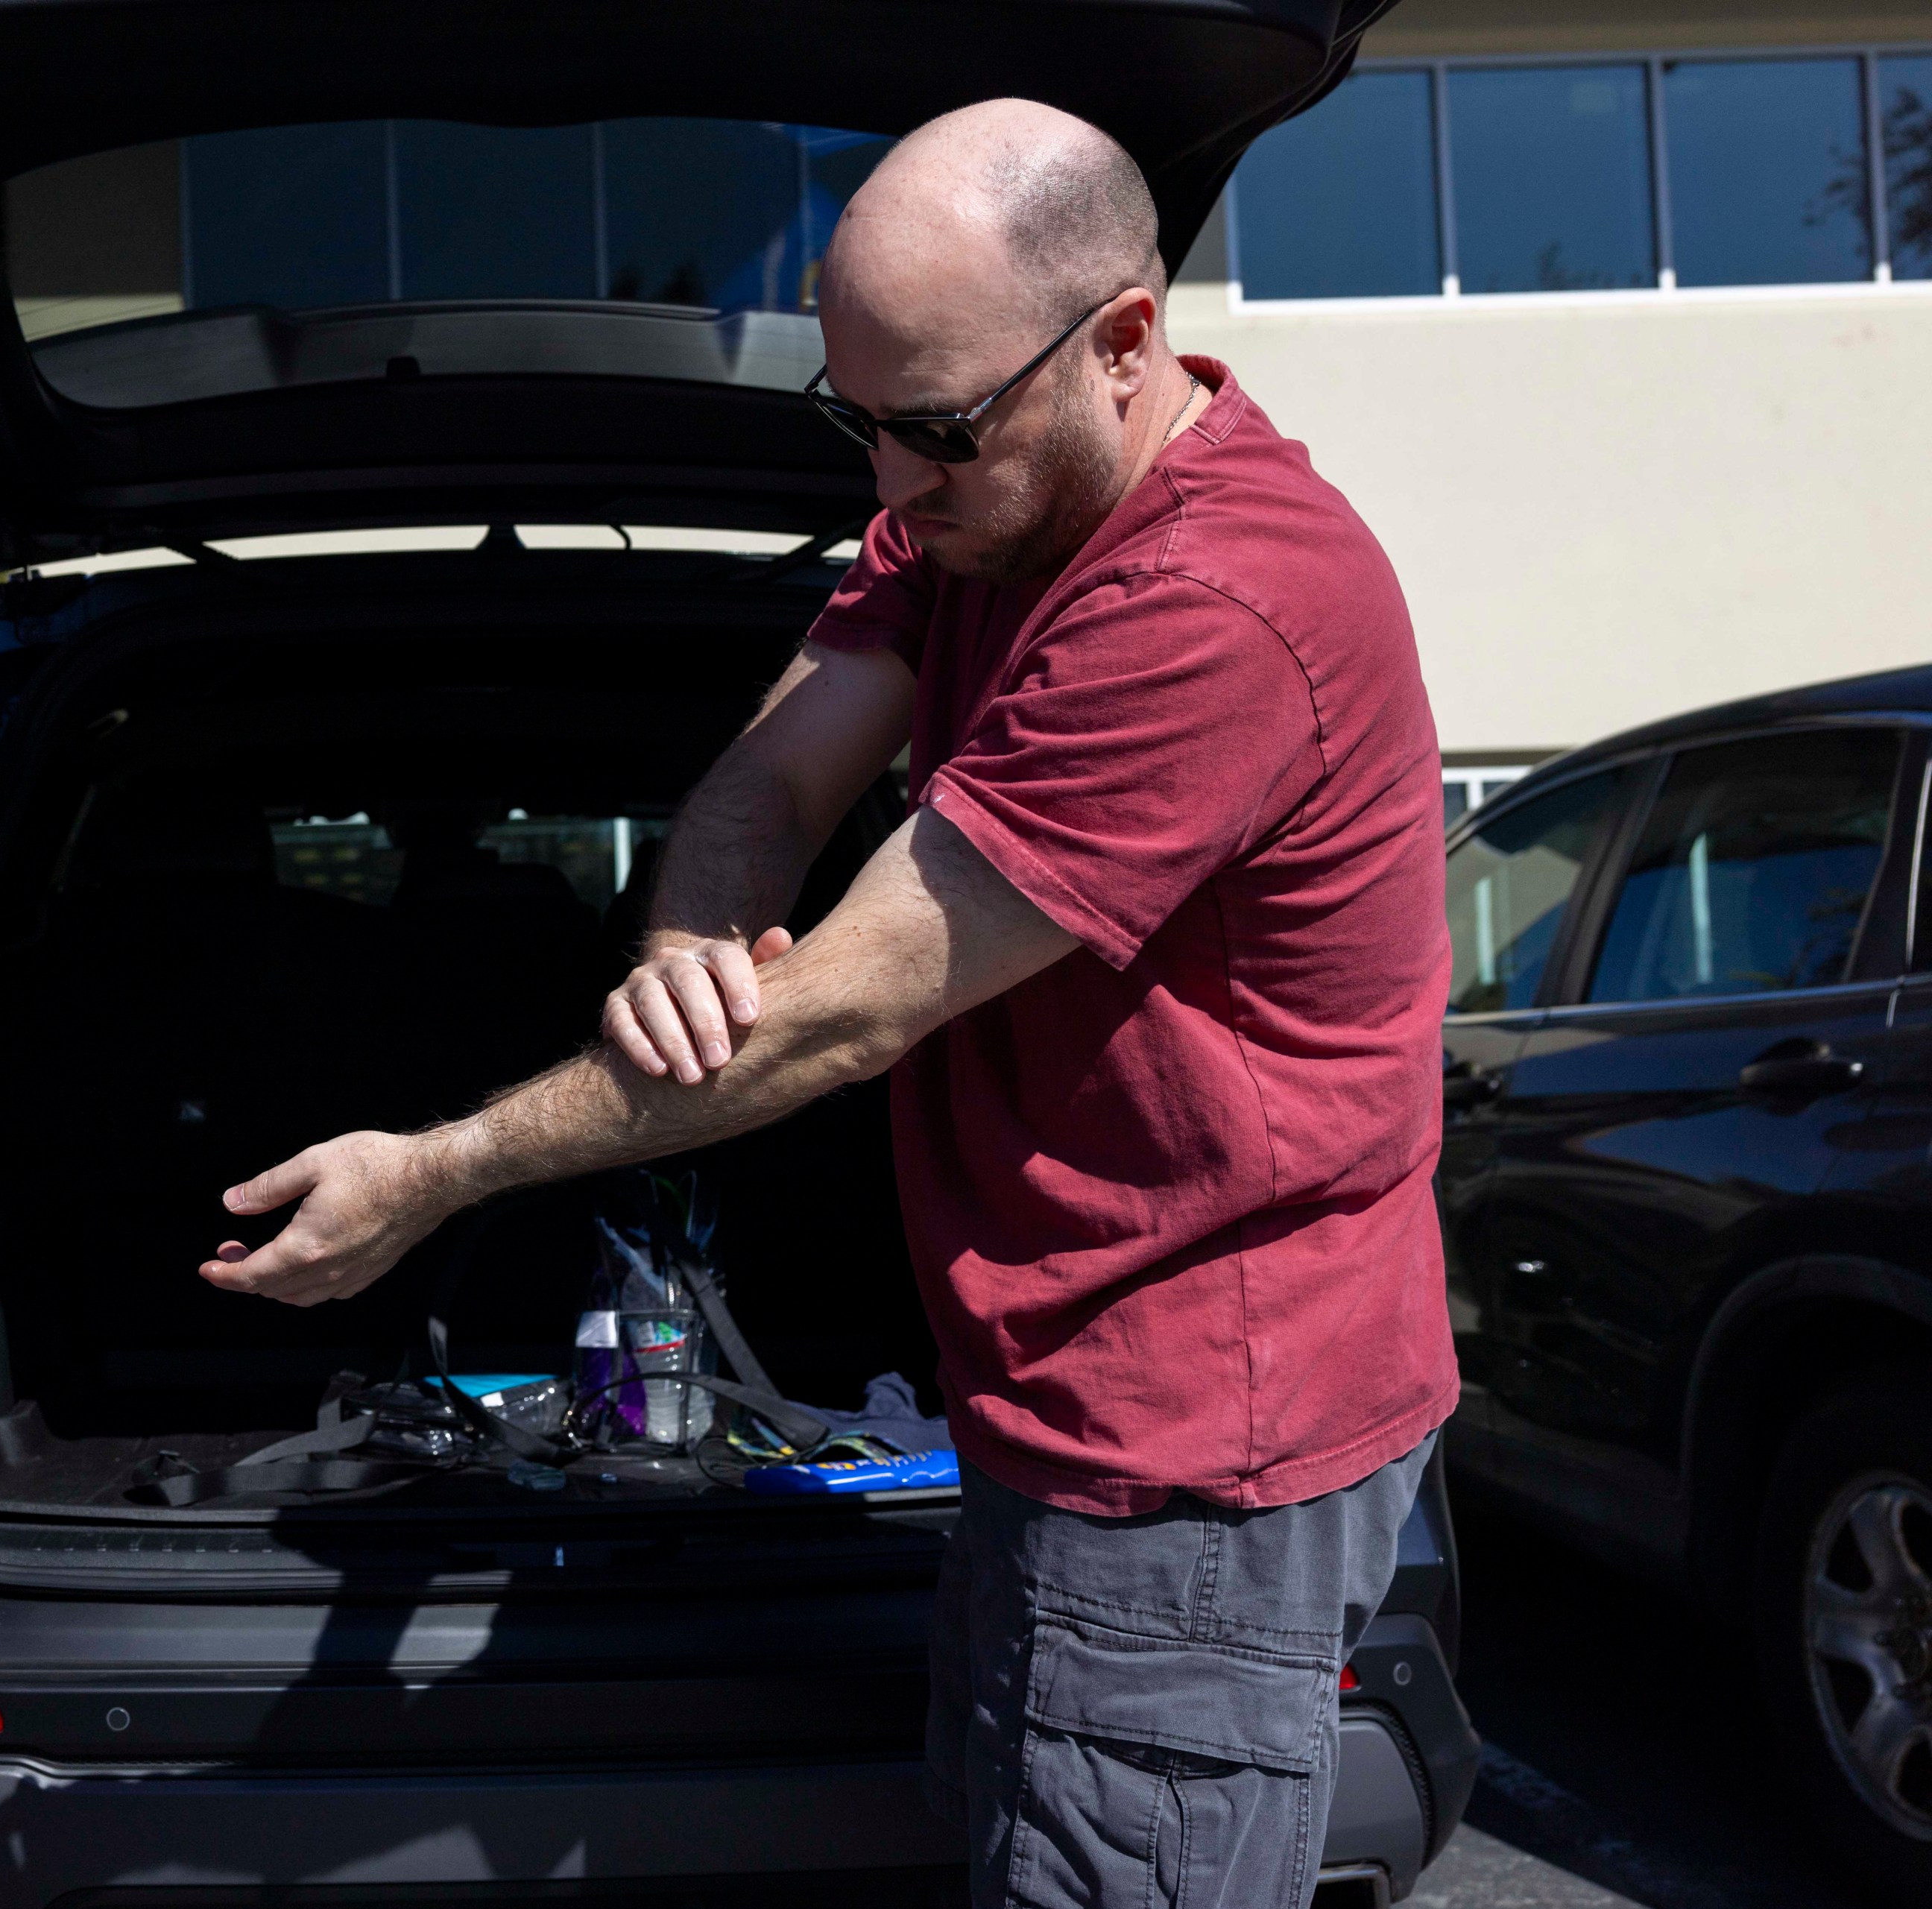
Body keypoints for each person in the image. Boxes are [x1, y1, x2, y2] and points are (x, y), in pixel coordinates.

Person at [199, 100, 1459, 1908]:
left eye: (935, 431)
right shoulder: (979, 512)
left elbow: (845, 1015)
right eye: (855, 424)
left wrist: (438, 1169)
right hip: (1051, 1405)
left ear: (1121, 342)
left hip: (1200, 1460)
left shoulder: (1217, 608)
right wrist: (681, 949)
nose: (890, 488)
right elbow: (770, 786)